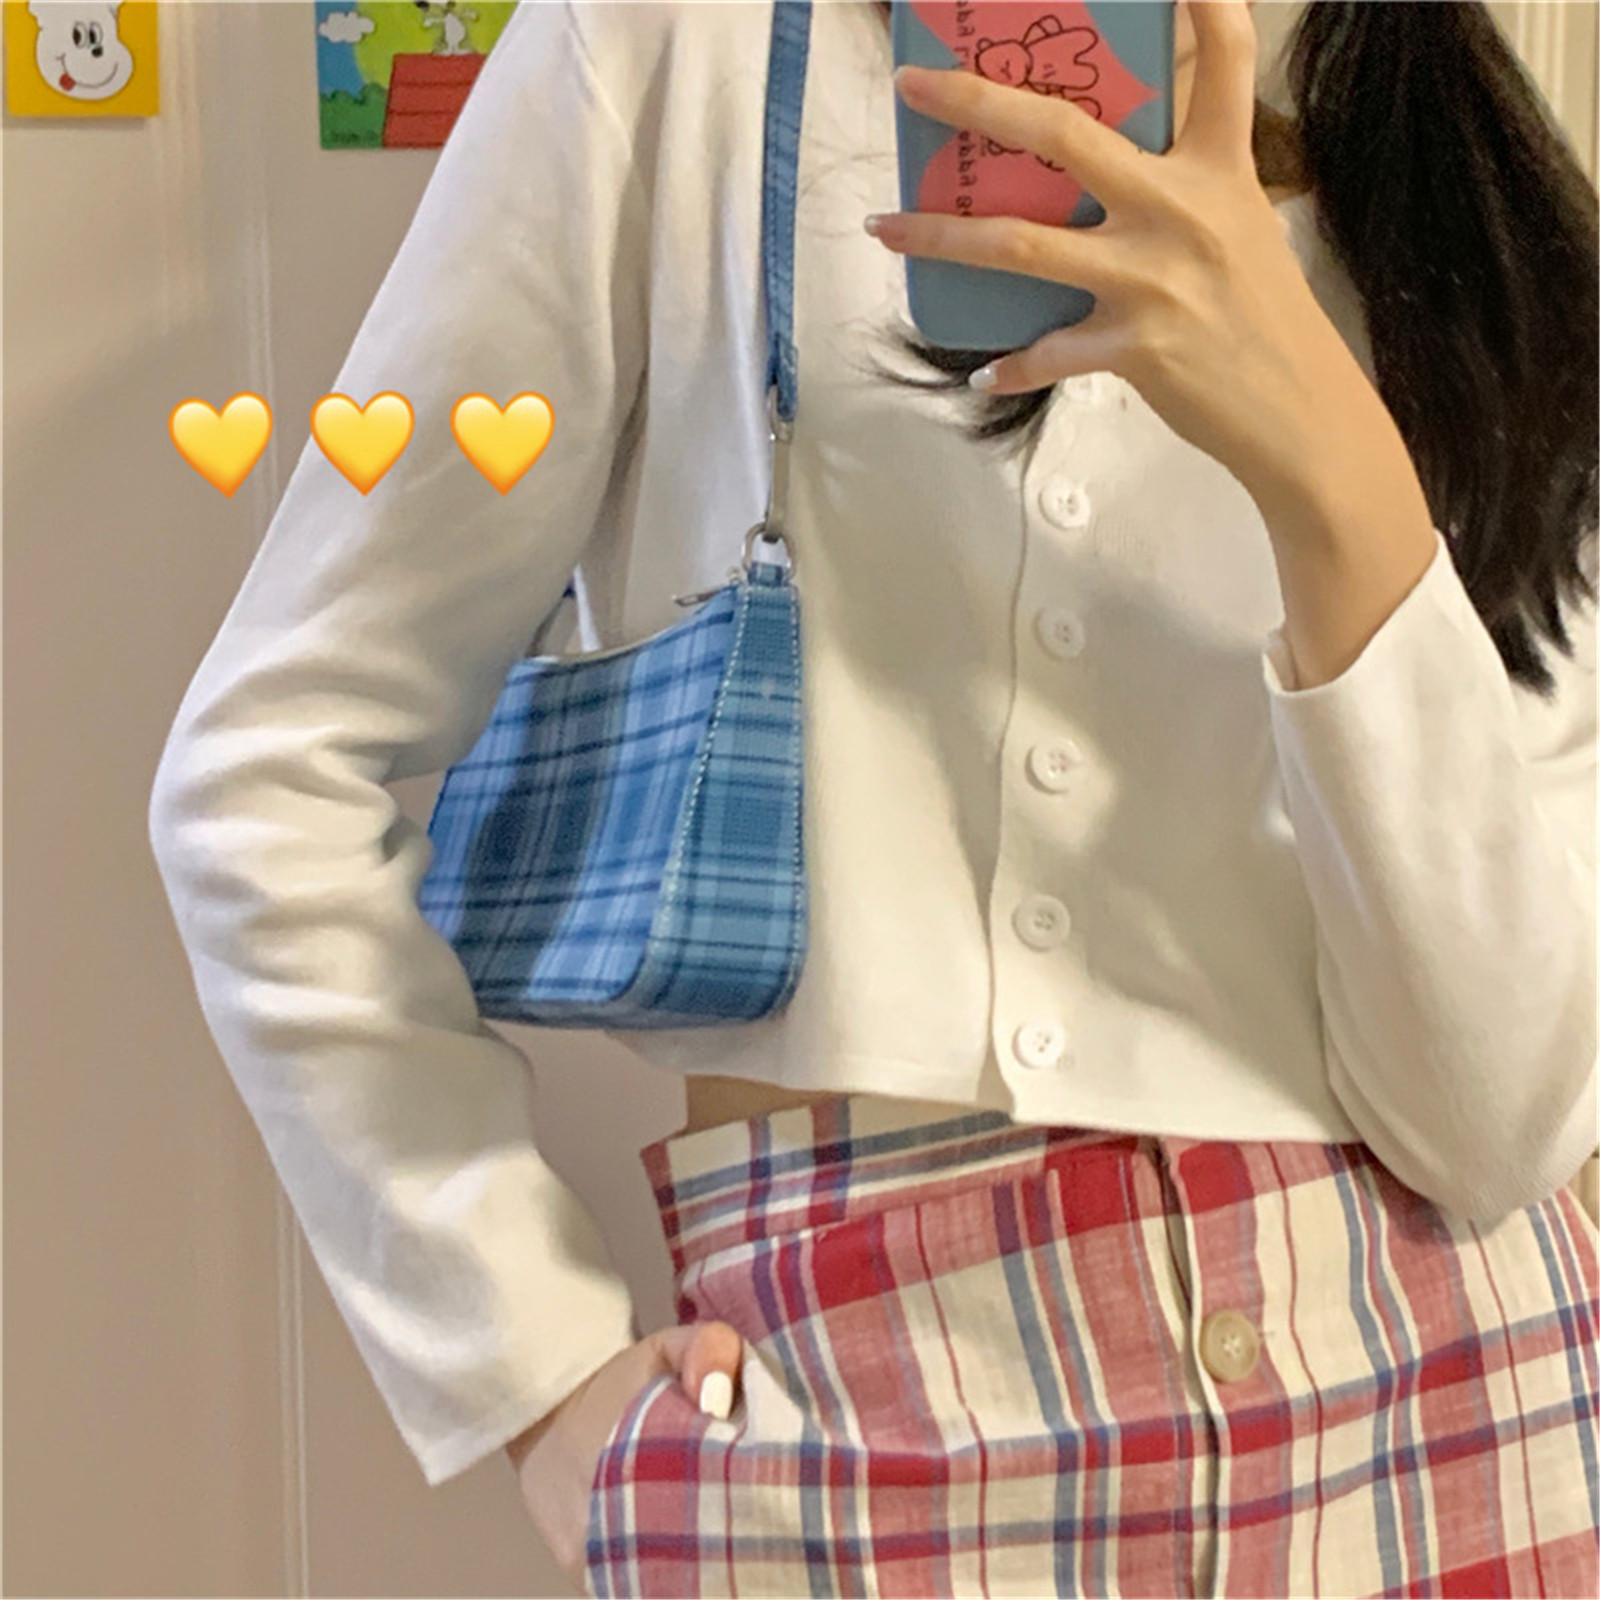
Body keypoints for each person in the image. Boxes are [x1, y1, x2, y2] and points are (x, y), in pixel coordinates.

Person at [148, 1, 1599, 1595]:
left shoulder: (1472, 176)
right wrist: (532, 1380)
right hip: (869, 1427)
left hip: (1456, 1415)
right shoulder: (678, 49)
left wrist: (1330, 465)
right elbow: (271, 764)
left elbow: (1494, 1130)